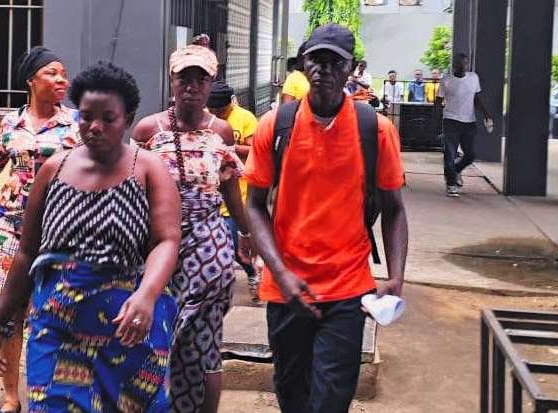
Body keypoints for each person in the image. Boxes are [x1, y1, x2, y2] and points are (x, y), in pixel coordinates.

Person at [0, 62, 182, 412]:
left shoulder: (148, 169)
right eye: (86, 117)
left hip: (128, 328)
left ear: (127, 118)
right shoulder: (54, 169)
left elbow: (167, 240)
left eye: (108, 118)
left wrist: (147, 295)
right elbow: (27, 252)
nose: (95, 127)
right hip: (58, 326)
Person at [244, 24, 408, 412]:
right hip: (287, 288)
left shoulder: (375, 130)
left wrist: (396, 275)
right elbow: (254, 205)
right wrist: (279, 272)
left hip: (348, 289)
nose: (324, 70)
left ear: (352, 68)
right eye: (316, 60)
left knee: (331, 399)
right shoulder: (276, 126)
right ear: (303, 65)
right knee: (292, 394)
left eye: (336, 62)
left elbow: (394, 208)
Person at [133, 44, 254, 413]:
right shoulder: (149, 129)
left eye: (201, 79)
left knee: (203, 343)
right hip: (157, 244)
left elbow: (230, 188)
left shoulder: (222, 131)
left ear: (211, 84)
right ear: (172, 80)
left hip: (208, 244)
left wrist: (246, 234)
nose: (192, 86)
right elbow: (132, 187)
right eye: (184, 77)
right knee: (157, 334)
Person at [0, 46, 78, 413]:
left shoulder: (75, 123)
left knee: (57, 309)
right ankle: (12, 396)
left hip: (60, 229)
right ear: (31, 80)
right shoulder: (11, 123)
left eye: (63, 74)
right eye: (51, 73)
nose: (61, 80)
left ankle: (53, 388)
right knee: (10, 309)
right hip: (11, 225)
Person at [206, 80, 261, 301]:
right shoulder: (204, 118)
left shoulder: (245, 118)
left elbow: (254, 149)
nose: (217, 114)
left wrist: (228, 146)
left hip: (237, 192)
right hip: (209, 194)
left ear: (231, 103)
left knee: (234, 243)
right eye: (213, 110)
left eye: (222, 110)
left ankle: (252, 273)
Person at [435, 52, 493, 197]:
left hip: (469, 122)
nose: (464, 65)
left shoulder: (473, 78)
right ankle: (451, 184)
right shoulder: (446, 80)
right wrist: (436, 121)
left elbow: (476, 98)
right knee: (450, 154)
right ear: (454, 65)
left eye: (466, 63)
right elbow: (438, 101)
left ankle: (455, 171)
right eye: (460, 63)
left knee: (471, 154)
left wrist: (486, 114)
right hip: (451, 121)